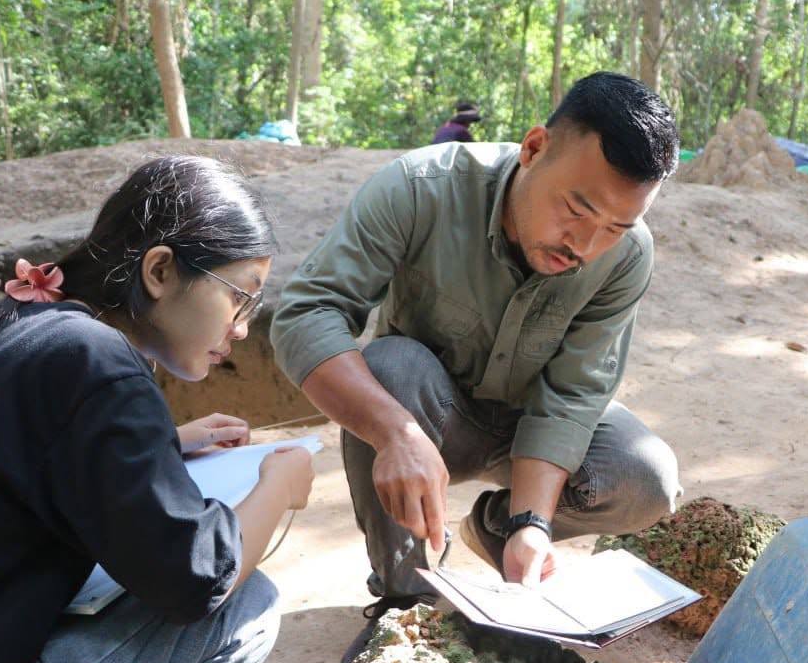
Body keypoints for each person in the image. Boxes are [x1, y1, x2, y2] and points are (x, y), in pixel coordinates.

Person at [0, 155, 315, 663]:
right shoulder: (98, 363)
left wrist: (167, 443)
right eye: (239, 296)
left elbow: (36, 463)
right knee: (243, 607)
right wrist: (278, 486)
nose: (243, 327)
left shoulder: (36, 329)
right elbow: (199, 578)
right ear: (160, 272)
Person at [272, 71, 682, 633]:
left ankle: (502, 528)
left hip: (523, 429)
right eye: (576, 209)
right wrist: (395, 432)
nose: (584, 246)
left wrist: (533, 522)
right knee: (391, 368)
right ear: (534, 149)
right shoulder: (418, 189)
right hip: (425, 416)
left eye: (615, 226)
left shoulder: (627, 257)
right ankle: (405, 602)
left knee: (645, 477)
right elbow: (305, 313)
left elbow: (572, 395)